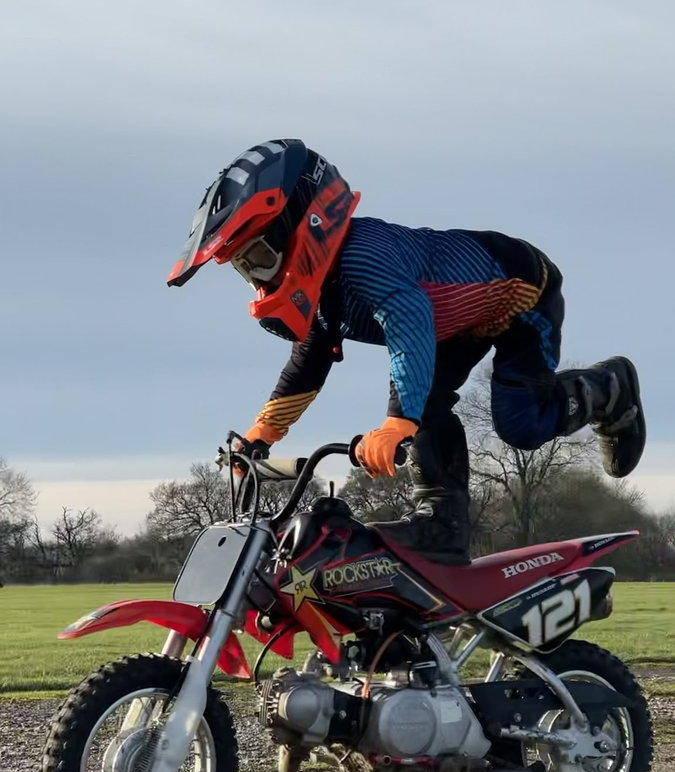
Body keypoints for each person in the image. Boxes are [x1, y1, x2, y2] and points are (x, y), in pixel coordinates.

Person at [167, 138, 646, 565]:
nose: (258, 279)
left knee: (519, 424)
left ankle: (611, 388)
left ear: (303, 224)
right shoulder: (327, 291)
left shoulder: (363, 255)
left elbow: (410, 321)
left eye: (259, 258)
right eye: (245, 270)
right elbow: (309, 360)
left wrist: (397, 422)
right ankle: (443, 525)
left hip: (518, 292)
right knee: (427, 402)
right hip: (455, 322)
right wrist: (259, 437)